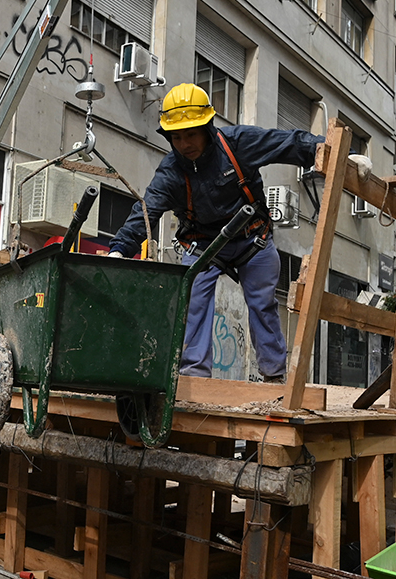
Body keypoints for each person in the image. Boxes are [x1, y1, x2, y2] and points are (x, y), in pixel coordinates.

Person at [107, 83, 325, 382]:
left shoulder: (236, 144)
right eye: (177, 136)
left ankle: (274, 377)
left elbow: (288, 143)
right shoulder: (170, 173)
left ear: (207, 127)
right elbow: (146, 212)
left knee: (263, 304)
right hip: (202, 246)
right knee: (192, 302)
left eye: (191, 134)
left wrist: (340, 153)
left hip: (253, 240)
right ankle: (193, 377)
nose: (185, 144)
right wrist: (120, 248)